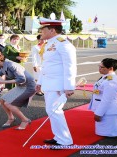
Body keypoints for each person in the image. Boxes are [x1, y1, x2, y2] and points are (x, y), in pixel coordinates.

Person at [35, 18, 77, 146]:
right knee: (51, 111)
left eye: (43, 29)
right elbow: (46, 65)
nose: (41, 31)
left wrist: (69, 86)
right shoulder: (49, 43)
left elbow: (70, 66)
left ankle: (65, 140)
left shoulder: (63, 44)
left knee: (55, 111)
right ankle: (59, 137)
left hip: (58, 85)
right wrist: (40, 82)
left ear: (52, 30)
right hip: (49, 84)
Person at [0, 51, 36, 130]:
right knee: (2, 100)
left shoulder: (11, 65)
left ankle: (25, 120)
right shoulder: (4, 65)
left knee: (9, 104)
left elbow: (22, 79)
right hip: (21, 86)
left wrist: (4, 82)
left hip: (29, 86)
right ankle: (11, 118)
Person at [89, 58, 117, 137]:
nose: (99, 68)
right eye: (99, 66)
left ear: (110, 68)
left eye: (101, 67)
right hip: (105, 110)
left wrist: (99, 113)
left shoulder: (111, 81)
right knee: (103, 132)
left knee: (111, 133)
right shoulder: (106, 77)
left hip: (108, 110)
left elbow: (107, 100)